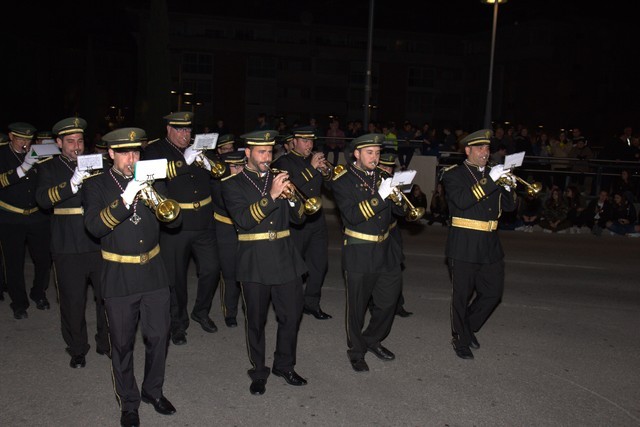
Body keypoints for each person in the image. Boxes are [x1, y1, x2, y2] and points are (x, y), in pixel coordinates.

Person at [82, 127, 180, 427]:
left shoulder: (153, 180)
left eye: (136, 152)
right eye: (124, 152)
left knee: (159, 337)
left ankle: (153, 391)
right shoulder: (96, 185)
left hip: (153, 272)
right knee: (122, 344)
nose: (131, 158)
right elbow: (95, 228)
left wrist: (164, 206)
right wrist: (127, 198)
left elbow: (173, 219)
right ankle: (129, 402)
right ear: (110, 153)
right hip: (119, 275)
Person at [221, 129, 308, 395]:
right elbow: (244, 220)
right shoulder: (231, 184)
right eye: (261, 152)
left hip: (285, 256)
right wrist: (271, 196)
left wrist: (293, 200)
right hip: (254, 259)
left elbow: (300, 218)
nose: (266, 157)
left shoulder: (280, 178)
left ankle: (284, 364)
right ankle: (259, 371)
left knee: (291, 316)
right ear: (247, 153)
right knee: (256, 321)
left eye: (269, 152)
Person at [34, 117, 109, 368]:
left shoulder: (97, 163)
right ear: (58, 143)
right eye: (70, 142)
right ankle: (77, 347)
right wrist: (72, 183)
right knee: (72, 300)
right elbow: (43, 200)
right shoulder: (49, 167)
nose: (76, 146)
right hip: (67, 244)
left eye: (79, 141)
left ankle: (106, 341)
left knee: (106, 296)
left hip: (99, 241)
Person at [143, 111, 222, 345]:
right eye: (180, 129)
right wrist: (183, 160)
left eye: (188, 130)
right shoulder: (155, 150)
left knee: (211, 269)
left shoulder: (199, 147)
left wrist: (207, 161)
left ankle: (201, 311)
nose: (185, 134)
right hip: (176, 224)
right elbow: (152, 174)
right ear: (168, 129)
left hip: (204, 221)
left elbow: (220, 172)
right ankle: (178, 323)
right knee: (175, 277)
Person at [331, 133, 406, 372]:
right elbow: (352, 216)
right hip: (359, 249)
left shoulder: (384, 176)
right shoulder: (342, 180)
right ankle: (356, 350)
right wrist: (380, 196)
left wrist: (402, 198)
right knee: (357, 307)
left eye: (377, 153)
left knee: (388, 301)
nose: (375, 158)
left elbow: (399, 212)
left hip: (385, 249)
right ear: (357, 154)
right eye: (370, 153)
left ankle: (372, 339)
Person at [440, 129, 517, 360]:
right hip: (463, 243)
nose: (485, 152)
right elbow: (463, 201)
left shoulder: (494, 175)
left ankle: (467, 327)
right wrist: (492, 180)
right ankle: (460, 338)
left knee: (493, 293)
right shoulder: (453, 174)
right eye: (480, 148)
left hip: (490, 243)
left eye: (487, 148)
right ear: (468, 150)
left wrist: (510, 186)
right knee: (461, 295)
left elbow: (510, 208)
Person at [272, 125, 333, 320]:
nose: (309, 145)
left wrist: (326, 172)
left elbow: (331, 186)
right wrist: (311, 168)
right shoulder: (283, 162)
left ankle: (312, 303)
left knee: (319, 264)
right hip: (296, 221)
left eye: (311, 141)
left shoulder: (313, 161)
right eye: (305, 141)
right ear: (294, 142)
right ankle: (293, 305)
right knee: (295, 268)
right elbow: (288, 187)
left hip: (316, 220)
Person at [0, 122, 52, 319]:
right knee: (14, 262)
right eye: (21, 139)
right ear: (11, 136)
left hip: (38, 215)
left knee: (43, 259)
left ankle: (38, 293)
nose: (25, 143)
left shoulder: (38, 152)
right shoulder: (2, 154)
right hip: (10, 217)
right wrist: (22, 169)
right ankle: (19, 302)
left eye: (28, 139)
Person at [375, 152, 413, 317]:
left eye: (389, 167)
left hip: (393, 230)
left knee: (395, 269)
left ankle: (398, 304)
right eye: (383, 166)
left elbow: (402, 211)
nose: (387, 170)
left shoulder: (394, 181)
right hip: (375, 233)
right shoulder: (370, 182)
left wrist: (399, 195)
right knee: (374, 271)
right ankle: (374, 304)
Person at [211, 150, 245, 328]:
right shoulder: (219, 184)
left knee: (248, 270)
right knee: (230, 273)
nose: (239, 170)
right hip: (226, 229)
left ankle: (249, 307)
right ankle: (230, 312)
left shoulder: (246, 180)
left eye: (241, 165)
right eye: (234, 166)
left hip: (246, 229)